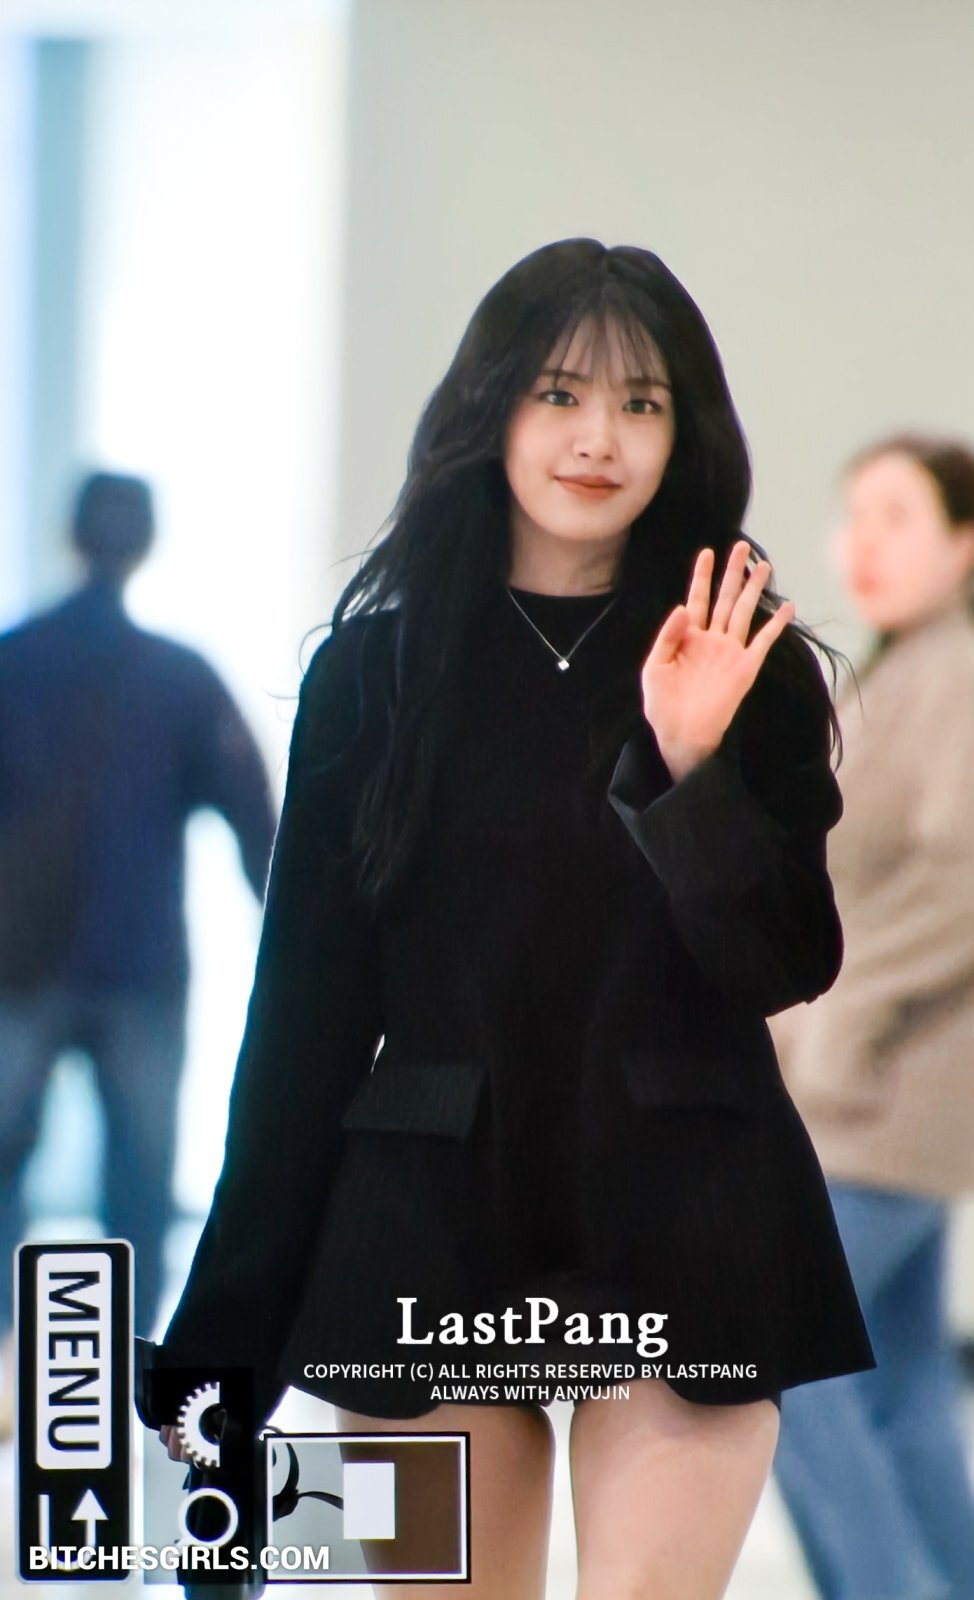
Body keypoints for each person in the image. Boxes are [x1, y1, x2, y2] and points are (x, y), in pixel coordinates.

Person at [153, 239, 875, 1600]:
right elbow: (302, 1028)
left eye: (641, 403)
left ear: (685, 432)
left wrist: (686, 767)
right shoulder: (374, 673)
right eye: (559, 394)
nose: (599, 438)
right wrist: (221, 1362)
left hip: (685, 1213)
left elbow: (785, 960)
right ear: (490, 408)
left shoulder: (743, 664)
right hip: (435, 1215)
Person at [769, 434, 974, 1600]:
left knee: (784, 1353)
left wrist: (830, 1020)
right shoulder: (896, 680)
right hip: (882, 1097)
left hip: (880, 1099)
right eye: (855, 516)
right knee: (902, 1385)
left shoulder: (964, 691)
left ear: (964, 543)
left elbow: (957, 896)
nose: (863, 543)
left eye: (896, 517)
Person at [0, 471, 277, 1436]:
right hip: (142, 970)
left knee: (1, 1168)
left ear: (68, 536)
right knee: (140, 1188)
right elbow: (257, 825)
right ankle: (125, 1374)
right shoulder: (180, 677)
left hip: (19, 969)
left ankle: (13, 1364)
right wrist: (304, 958)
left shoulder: (12, 661)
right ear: (147, 543)